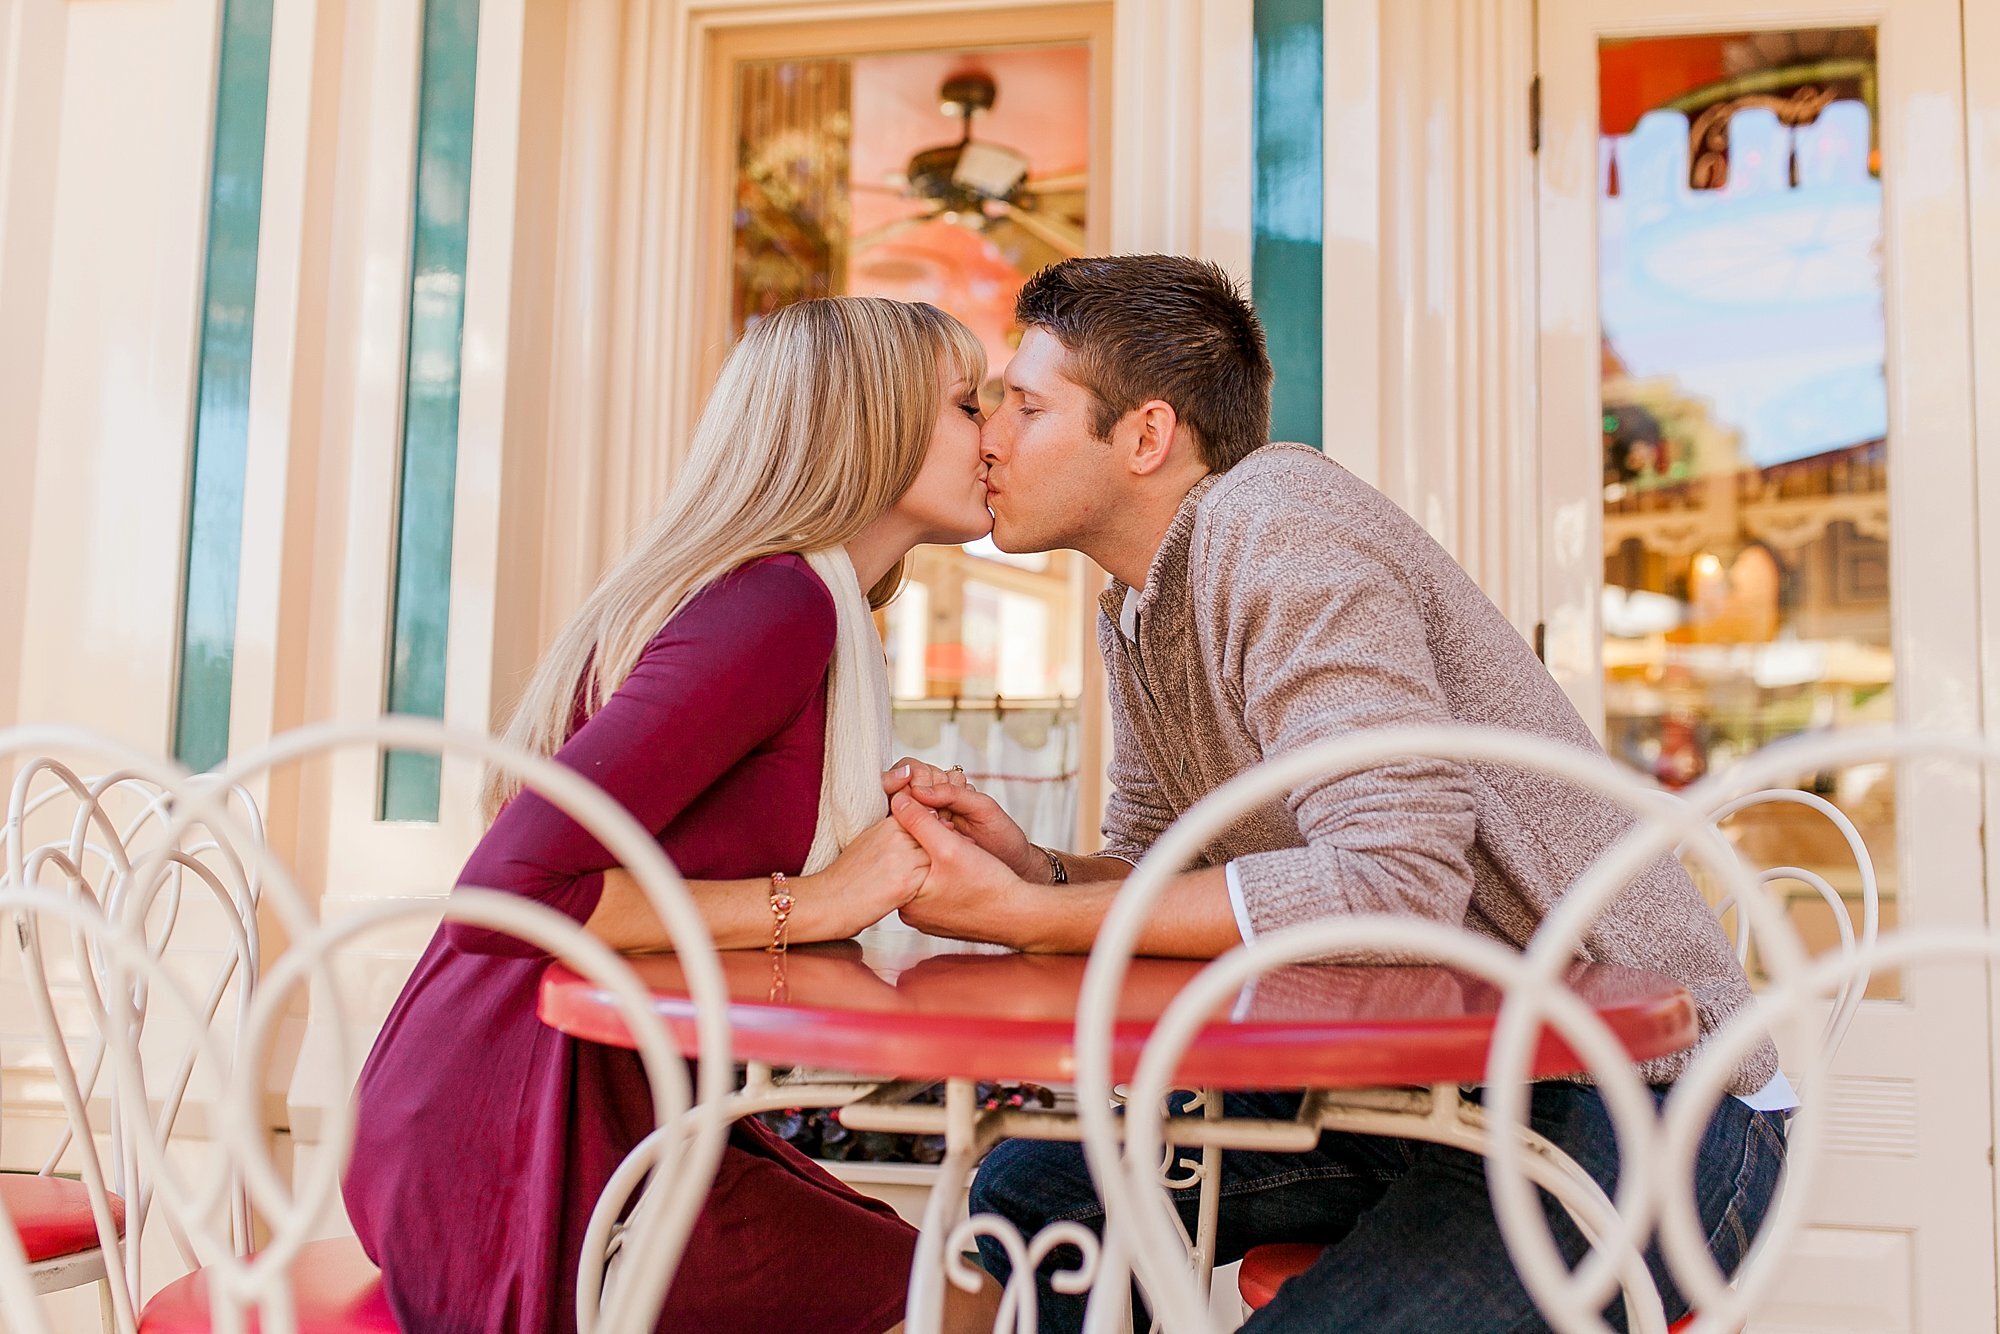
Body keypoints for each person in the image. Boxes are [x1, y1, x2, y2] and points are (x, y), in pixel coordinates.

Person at [882, 256, 1789, 1332]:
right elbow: (1159, 864)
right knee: (1038, 1191)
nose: (987, 433)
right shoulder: (1135, 599)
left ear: (1143, 435)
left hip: (1650, 1096)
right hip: (1426, 1090)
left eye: (1025, 405)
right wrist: (1033, 869)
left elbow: (1395, 882)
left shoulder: (1277, 519)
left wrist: (1033, 916)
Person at [343, 298, 1002, 1334]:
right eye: (971, 404)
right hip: (522, 1138)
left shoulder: (792, 603)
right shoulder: (777, 605)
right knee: (968, 1305)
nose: (996, 433)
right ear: (867, 425)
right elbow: (503, 899)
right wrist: (820, 895)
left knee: (934, 1275)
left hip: (569, 1106)